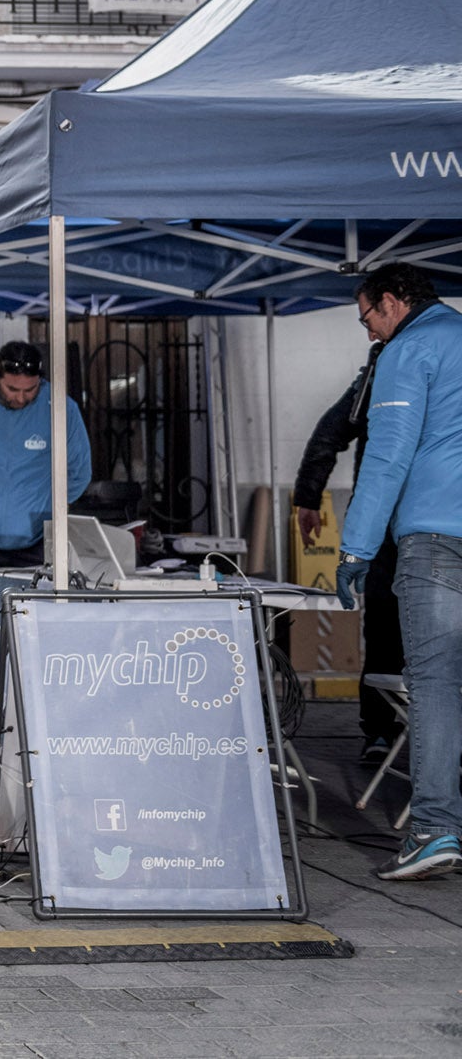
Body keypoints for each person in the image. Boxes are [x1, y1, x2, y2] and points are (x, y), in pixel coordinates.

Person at [335, 264, 462, 881]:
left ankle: (435, 828)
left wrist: (355, 549)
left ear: (391, 301)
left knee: (436, 685)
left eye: (367, 318)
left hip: (437, 538)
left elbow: (386, 456)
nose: (369, 333)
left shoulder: (409, 348)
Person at [293, 347, 403, 762]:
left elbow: (330, 432)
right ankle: (380, 732)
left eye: (368, 317)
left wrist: (308, 497)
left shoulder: (387, 368)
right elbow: (331, 431)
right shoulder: (380, 371)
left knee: (385, 628)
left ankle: (381, 733)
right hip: (401, 524)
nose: (367, 329)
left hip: (397, 523)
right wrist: (307, 496)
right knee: (387, 627)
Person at [0, 340, 92, 574]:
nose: (21, 398)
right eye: (12, 389)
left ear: (40, 381)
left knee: (34, 611)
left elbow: (79, 471)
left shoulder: (62, 409)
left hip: (37, 544)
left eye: (30, 390)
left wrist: (51, 510)